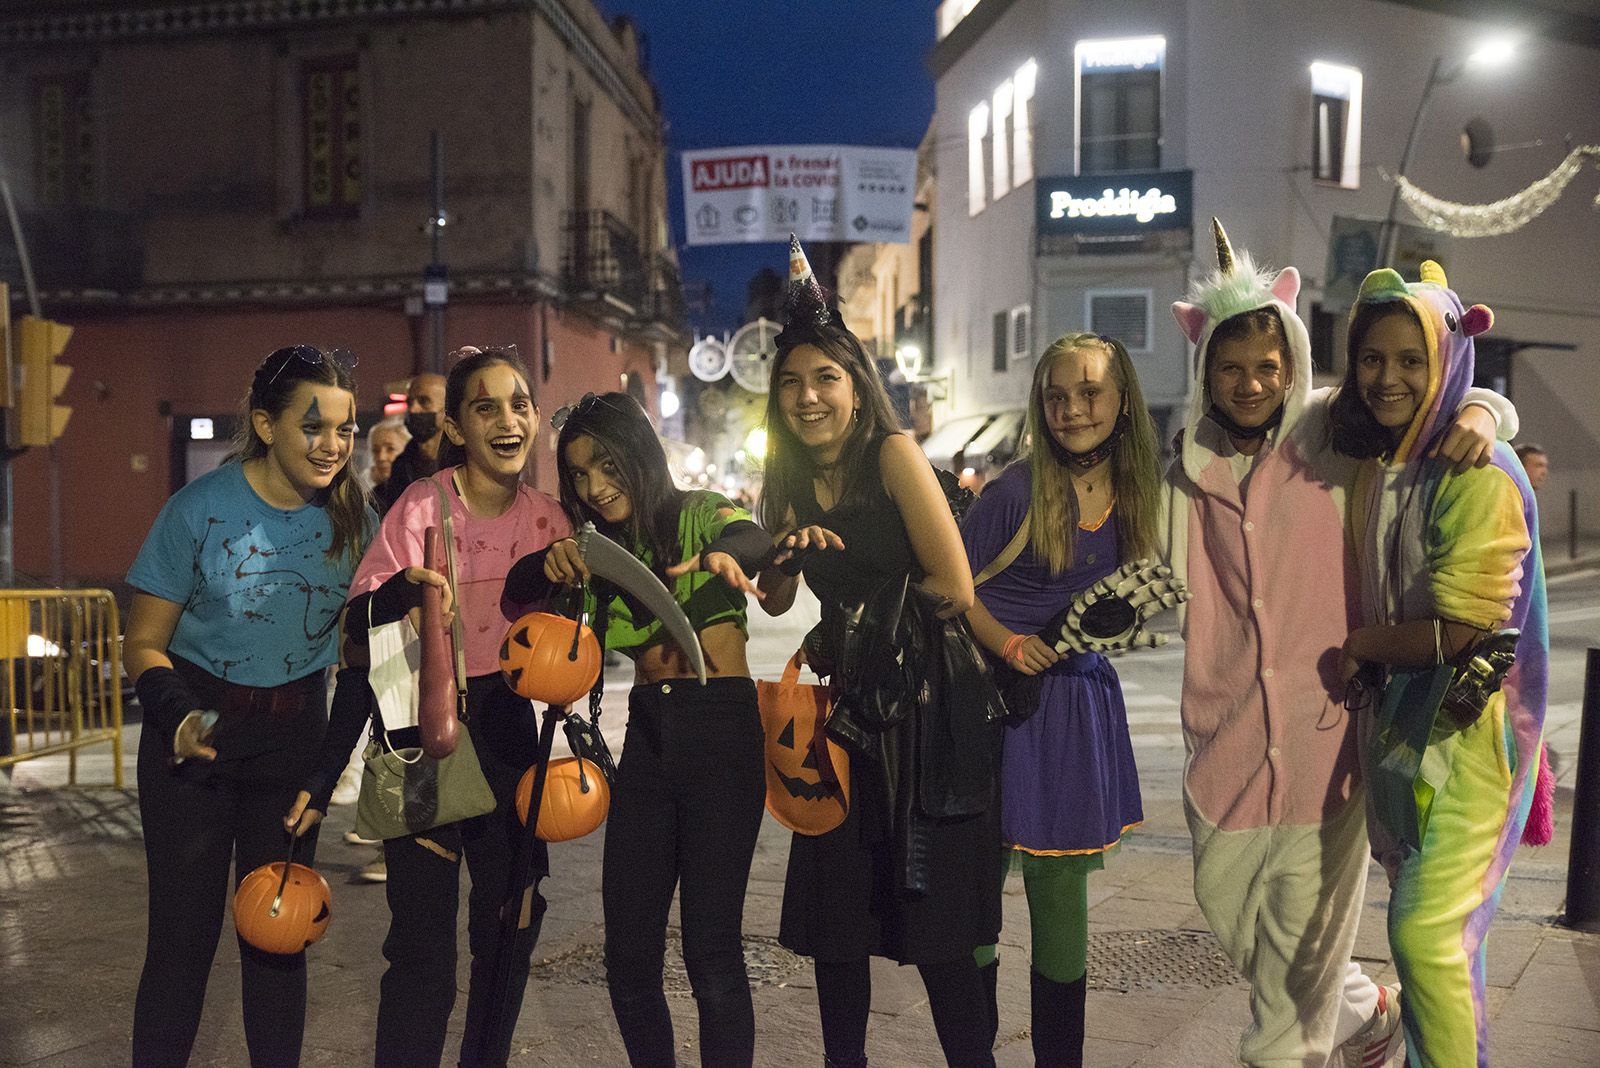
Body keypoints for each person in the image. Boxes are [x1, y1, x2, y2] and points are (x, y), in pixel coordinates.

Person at [1164, 224, 1518, 1068]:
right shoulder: (1184, 471)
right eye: (1230, 368)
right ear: (1205, 372)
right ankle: (1368, 1016)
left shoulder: (1332, 433)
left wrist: (1481, 407)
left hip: (1330, 741)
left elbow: (1436, 401)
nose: (1251, 384)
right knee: (1235, 913)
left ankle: (1311, 1042)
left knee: (1285, 1012)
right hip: (1227, 742)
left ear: (1292, 365)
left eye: (1267, 367)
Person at [288, 345, 570, 1068]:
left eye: (519, 406)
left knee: (509, 932)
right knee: (420, 952)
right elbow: (357, 627)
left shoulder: (550, 521)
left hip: (509, 734)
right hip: (416, 734)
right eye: (486, 408)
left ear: (535, 418)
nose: (507, 421)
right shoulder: (422, 505)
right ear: (458, 427)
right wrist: (398, 594)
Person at [756, 237, 1000, 1068]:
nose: (808, 396)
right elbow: (778, 600)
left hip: (926, 713)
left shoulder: (893, 456)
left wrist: (866, 603)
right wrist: (784, 562)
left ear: (856, 386)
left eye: (825, 377)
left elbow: (954, 589)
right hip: (847, 717)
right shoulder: (784, 474)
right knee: (837, 927)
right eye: (791, 382)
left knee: (934, 930)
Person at [124, 344, 373, 1067]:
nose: (333, 446)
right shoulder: (198, 509)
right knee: (181, 946)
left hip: (294, 746)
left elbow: (365, 665)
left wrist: (324, 778)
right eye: (313, 426)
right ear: (265, 424)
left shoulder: (361, 522)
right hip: (191, 748)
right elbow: (142, 641)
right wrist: (178, 713)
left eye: (345, 430)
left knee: (279, 939)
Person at [1333, 262, 1548, 1068]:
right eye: (1371, 359)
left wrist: (1359, 646)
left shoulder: (1474, 468)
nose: (1388, 378)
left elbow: (1465, 627)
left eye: (1412, 359)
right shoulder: (1379, 456)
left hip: (1468, 740)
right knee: (1447, 947)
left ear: (1447, 362)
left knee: (1423, 936)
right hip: (1405, 737)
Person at [517, 390, 771, 1067]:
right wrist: (549, 566)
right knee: (628, 957)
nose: (594, 486)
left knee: (711, 950)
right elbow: (519, 592)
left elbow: (753, 535)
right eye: (579, 475)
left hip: (722, 728)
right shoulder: (595, 552)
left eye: (606, 465)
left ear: (639, 454)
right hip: (652, 733)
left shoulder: (693, 513)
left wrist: (726, 555)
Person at [959, 332, 1166, 1068]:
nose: (1072, 409)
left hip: (1077, 704)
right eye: (1057, 396)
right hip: (995, 706)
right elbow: (951, 590)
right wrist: (1009, 642)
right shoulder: (1014, 491)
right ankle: (971, 1055)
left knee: (1060, 889)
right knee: (979, 888)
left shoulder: (1140, 490)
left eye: (1089, 393)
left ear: (1122, 401)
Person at [375, 371, 448, 511]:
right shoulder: (401, 466)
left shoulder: (464, 464)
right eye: (410, 402)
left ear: (447, 409)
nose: (413, 409)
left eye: (424, 401)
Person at [367, 416, 410, 492]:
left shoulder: (421, 490)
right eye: (376, 450)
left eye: (391, 449)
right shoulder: (372, 495)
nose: (381, 457)